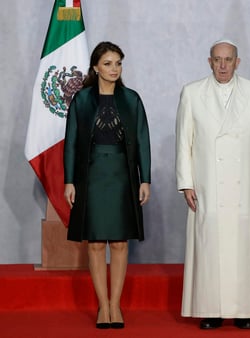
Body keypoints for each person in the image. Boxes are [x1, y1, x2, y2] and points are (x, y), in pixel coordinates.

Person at [175, 39, 250, 330]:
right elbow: (185, 142)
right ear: (209, 62)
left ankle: (245, 310)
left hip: (246, 185)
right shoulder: (192, 93)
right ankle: (211, 310)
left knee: (246, 248)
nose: (222, 65)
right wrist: (186, 183)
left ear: (237, 62)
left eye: (228, 60)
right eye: (217, 60)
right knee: (210, 249)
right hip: (207, 184)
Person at [63, 41, 151, 329]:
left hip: (123, 176)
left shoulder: (132, 100)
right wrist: (69, 181)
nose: (115, 69)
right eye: (109, 63)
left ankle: (116, 304)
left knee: (120, 242)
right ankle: (103, 306)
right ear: (95, 68)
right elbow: (72, 143)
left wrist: (145, 178)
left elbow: (142, 141)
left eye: (118, 63)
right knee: (97, 243)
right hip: (91, 177)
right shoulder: (82, 100)